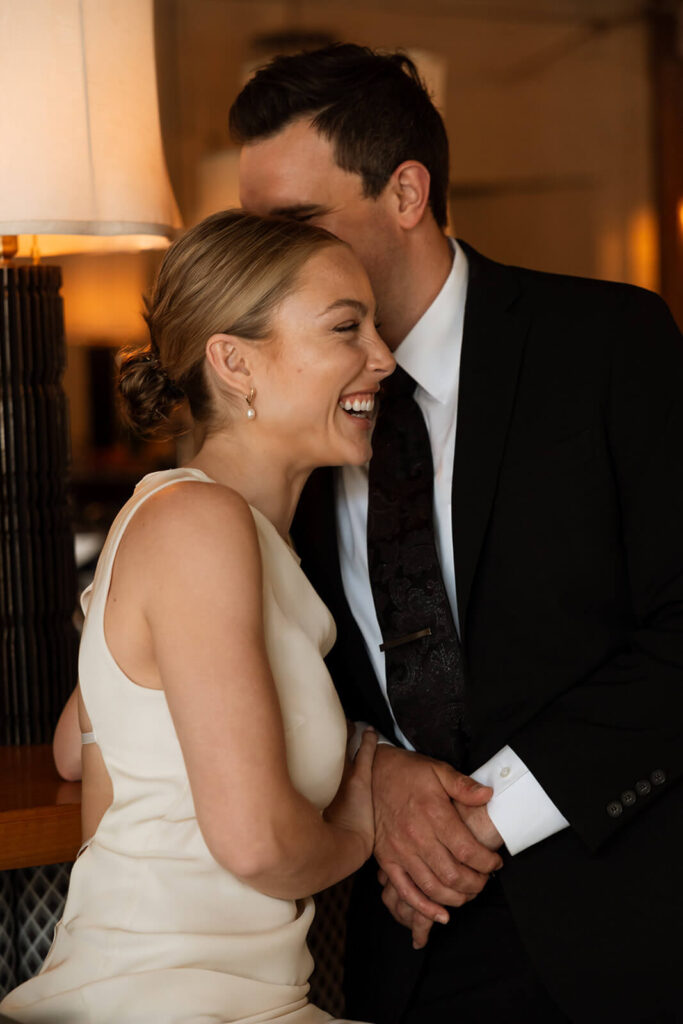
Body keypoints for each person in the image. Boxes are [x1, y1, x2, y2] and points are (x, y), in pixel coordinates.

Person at [230, 44, 683, 1024]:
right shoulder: (267, 412)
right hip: (405, 944)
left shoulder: (607, 345)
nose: (262, 265)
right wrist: (371, 768)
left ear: (404, 193)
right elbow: (257, 657)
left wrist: (484, 824)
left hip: (623, 924)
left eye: (295, 226)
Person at [0, 209, 448, 1023]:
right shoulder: (199, 528)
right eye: (347, 327)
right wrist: (359, 823)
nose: (383, 358)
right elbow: (256, 844)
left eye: (375, 326)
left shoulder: (206, 526)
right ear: (234, 363)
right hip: (171, 1001)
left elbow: (79, 746)